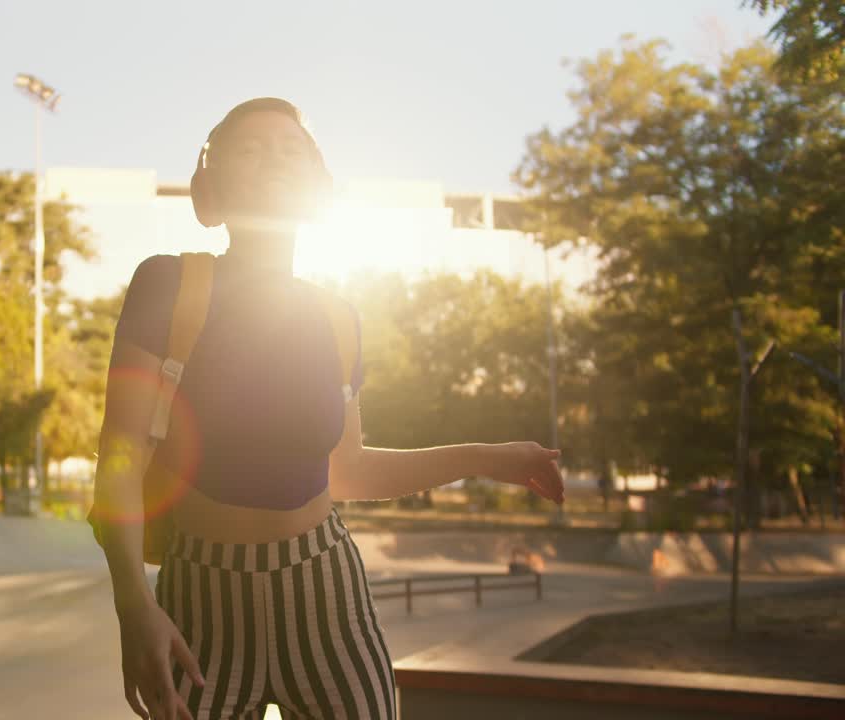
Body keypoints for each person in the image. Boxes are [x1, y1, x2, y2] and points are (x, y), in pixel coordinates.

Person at [90, 97, 565, 720]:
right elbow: (119, 464)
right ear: (211, 188)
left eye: (292, 151)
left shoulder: (340, 319)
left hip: (326, 590)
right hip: (201, 594)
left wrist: (490, 457)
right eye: (250, 150)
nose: (273, 163)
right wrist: (135, 607)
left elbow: (348, 472)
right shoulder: (167, 285)